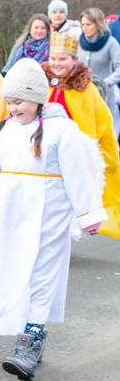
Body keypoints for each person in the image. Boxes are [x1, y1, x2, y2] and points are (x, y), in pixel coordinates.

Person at [0, 58, 106, 381]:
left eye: (19, 102)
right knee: (14, 278)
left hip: (48, 220)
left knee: (42, 277)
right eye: (9, 102)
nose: (13, 109)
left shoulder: (61, 130)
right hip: (11, 219)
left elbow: (78, 176)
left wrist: (88, 214)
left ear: (38, 98)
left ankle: (28, 342)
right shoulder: (5, 132)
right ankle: (31, 334)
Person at [43, 32, 120, 239]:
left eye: (63, 59)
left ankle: (65, 231)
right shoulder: (41, 83)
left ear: (74, 60)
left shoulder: (85, 89)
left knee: (68, 190)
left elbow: (100, 121)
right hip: (45, 148)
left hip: (71, 150)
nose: (57, 64)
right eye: (53, 59)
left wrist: (107, 156)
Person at [77, 7, 120, 136]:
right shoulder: (79, 42)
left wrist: (105, 82)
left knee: (106, 131)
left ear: (97, 24)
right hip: (82, 92)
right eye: (83, 24)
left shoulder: (110, 43)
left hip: (104, 94)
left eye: (88, 24)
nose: (85, 28)